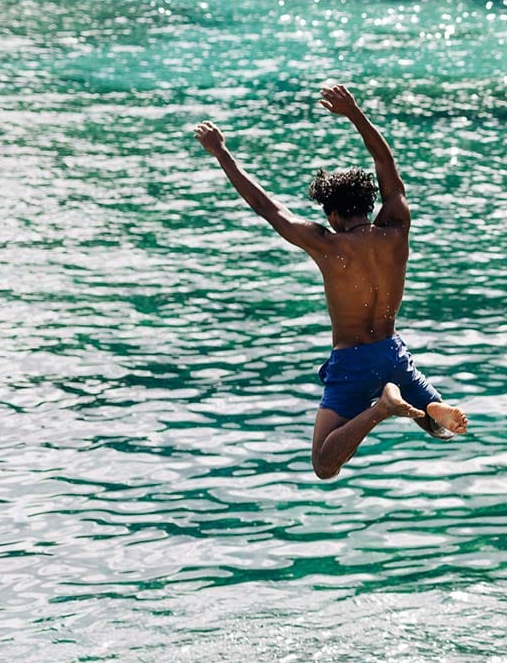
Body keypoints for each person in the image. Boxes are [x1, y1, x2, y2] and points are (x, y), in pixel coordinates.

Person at [193, 85, 467, 479]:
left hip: (353, 359)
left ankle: (382, 408)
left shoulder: (327, 245)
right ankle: (423, 405)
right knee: (441, 429)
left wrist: (223, 154)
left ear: (332, 214)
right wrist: (354, 114)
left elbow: (267, 207)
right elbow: (386, 165)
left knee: (324, 464)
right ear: (369, 204)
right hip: (393, 351)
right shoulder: (396, 228)